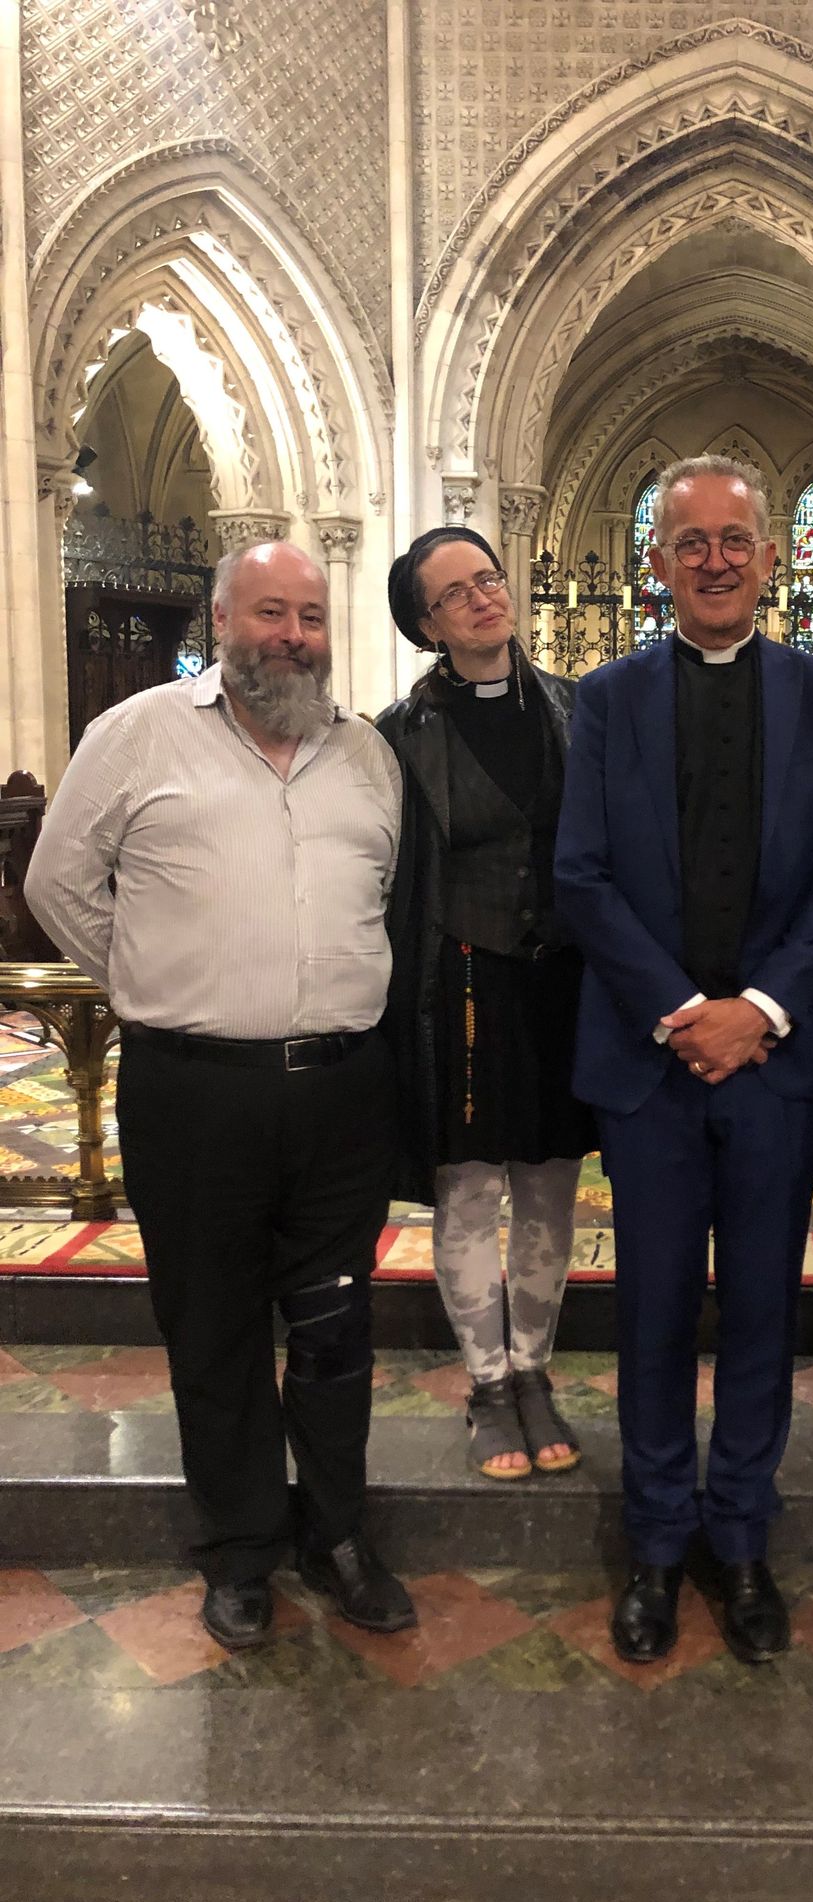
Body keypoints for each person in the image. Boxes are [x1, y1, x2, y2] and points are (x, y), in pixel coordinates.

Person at [26, 540, 416, 1651]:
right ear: (223, 620)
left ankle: (337, 1533)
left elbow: (381, 897)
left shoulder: (368, 757)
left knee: (338, 1331)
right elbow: (57, 880)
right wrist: (154, 982)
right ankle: (242, 1547)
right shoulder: (138, 734)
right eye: (269, 614)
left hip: (342, 1095)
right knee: (215, 1330)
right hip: (193, 1097)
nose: (291, 635)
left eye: (309, 616)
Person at [554, 454, 813, 1666]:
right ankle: (654, 1539)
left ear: (771, 555)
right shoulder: (607, 700)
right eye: (691, 543)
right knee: (650, 1312)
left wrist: (766, 1010)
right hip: (654, 1064)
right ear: (658, 561)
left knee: (757, 1314)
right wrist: (687, 1008)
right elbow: (580, 873)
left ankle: (739, 1541)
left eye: (735, 539)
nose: (717, 560)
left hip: (777, 1066)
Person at [379, 527, 593, 1480]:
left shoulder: (576, 709)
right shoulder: (396, 735)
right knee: (468, 1188)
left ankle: (535, 1372)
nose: (481, 599)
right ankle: (486, 1382)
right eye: (455, 593)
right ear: (427, 624)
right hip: (457, 981)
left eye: (489, 579)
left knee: (551, 1181)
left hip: (559, 979)